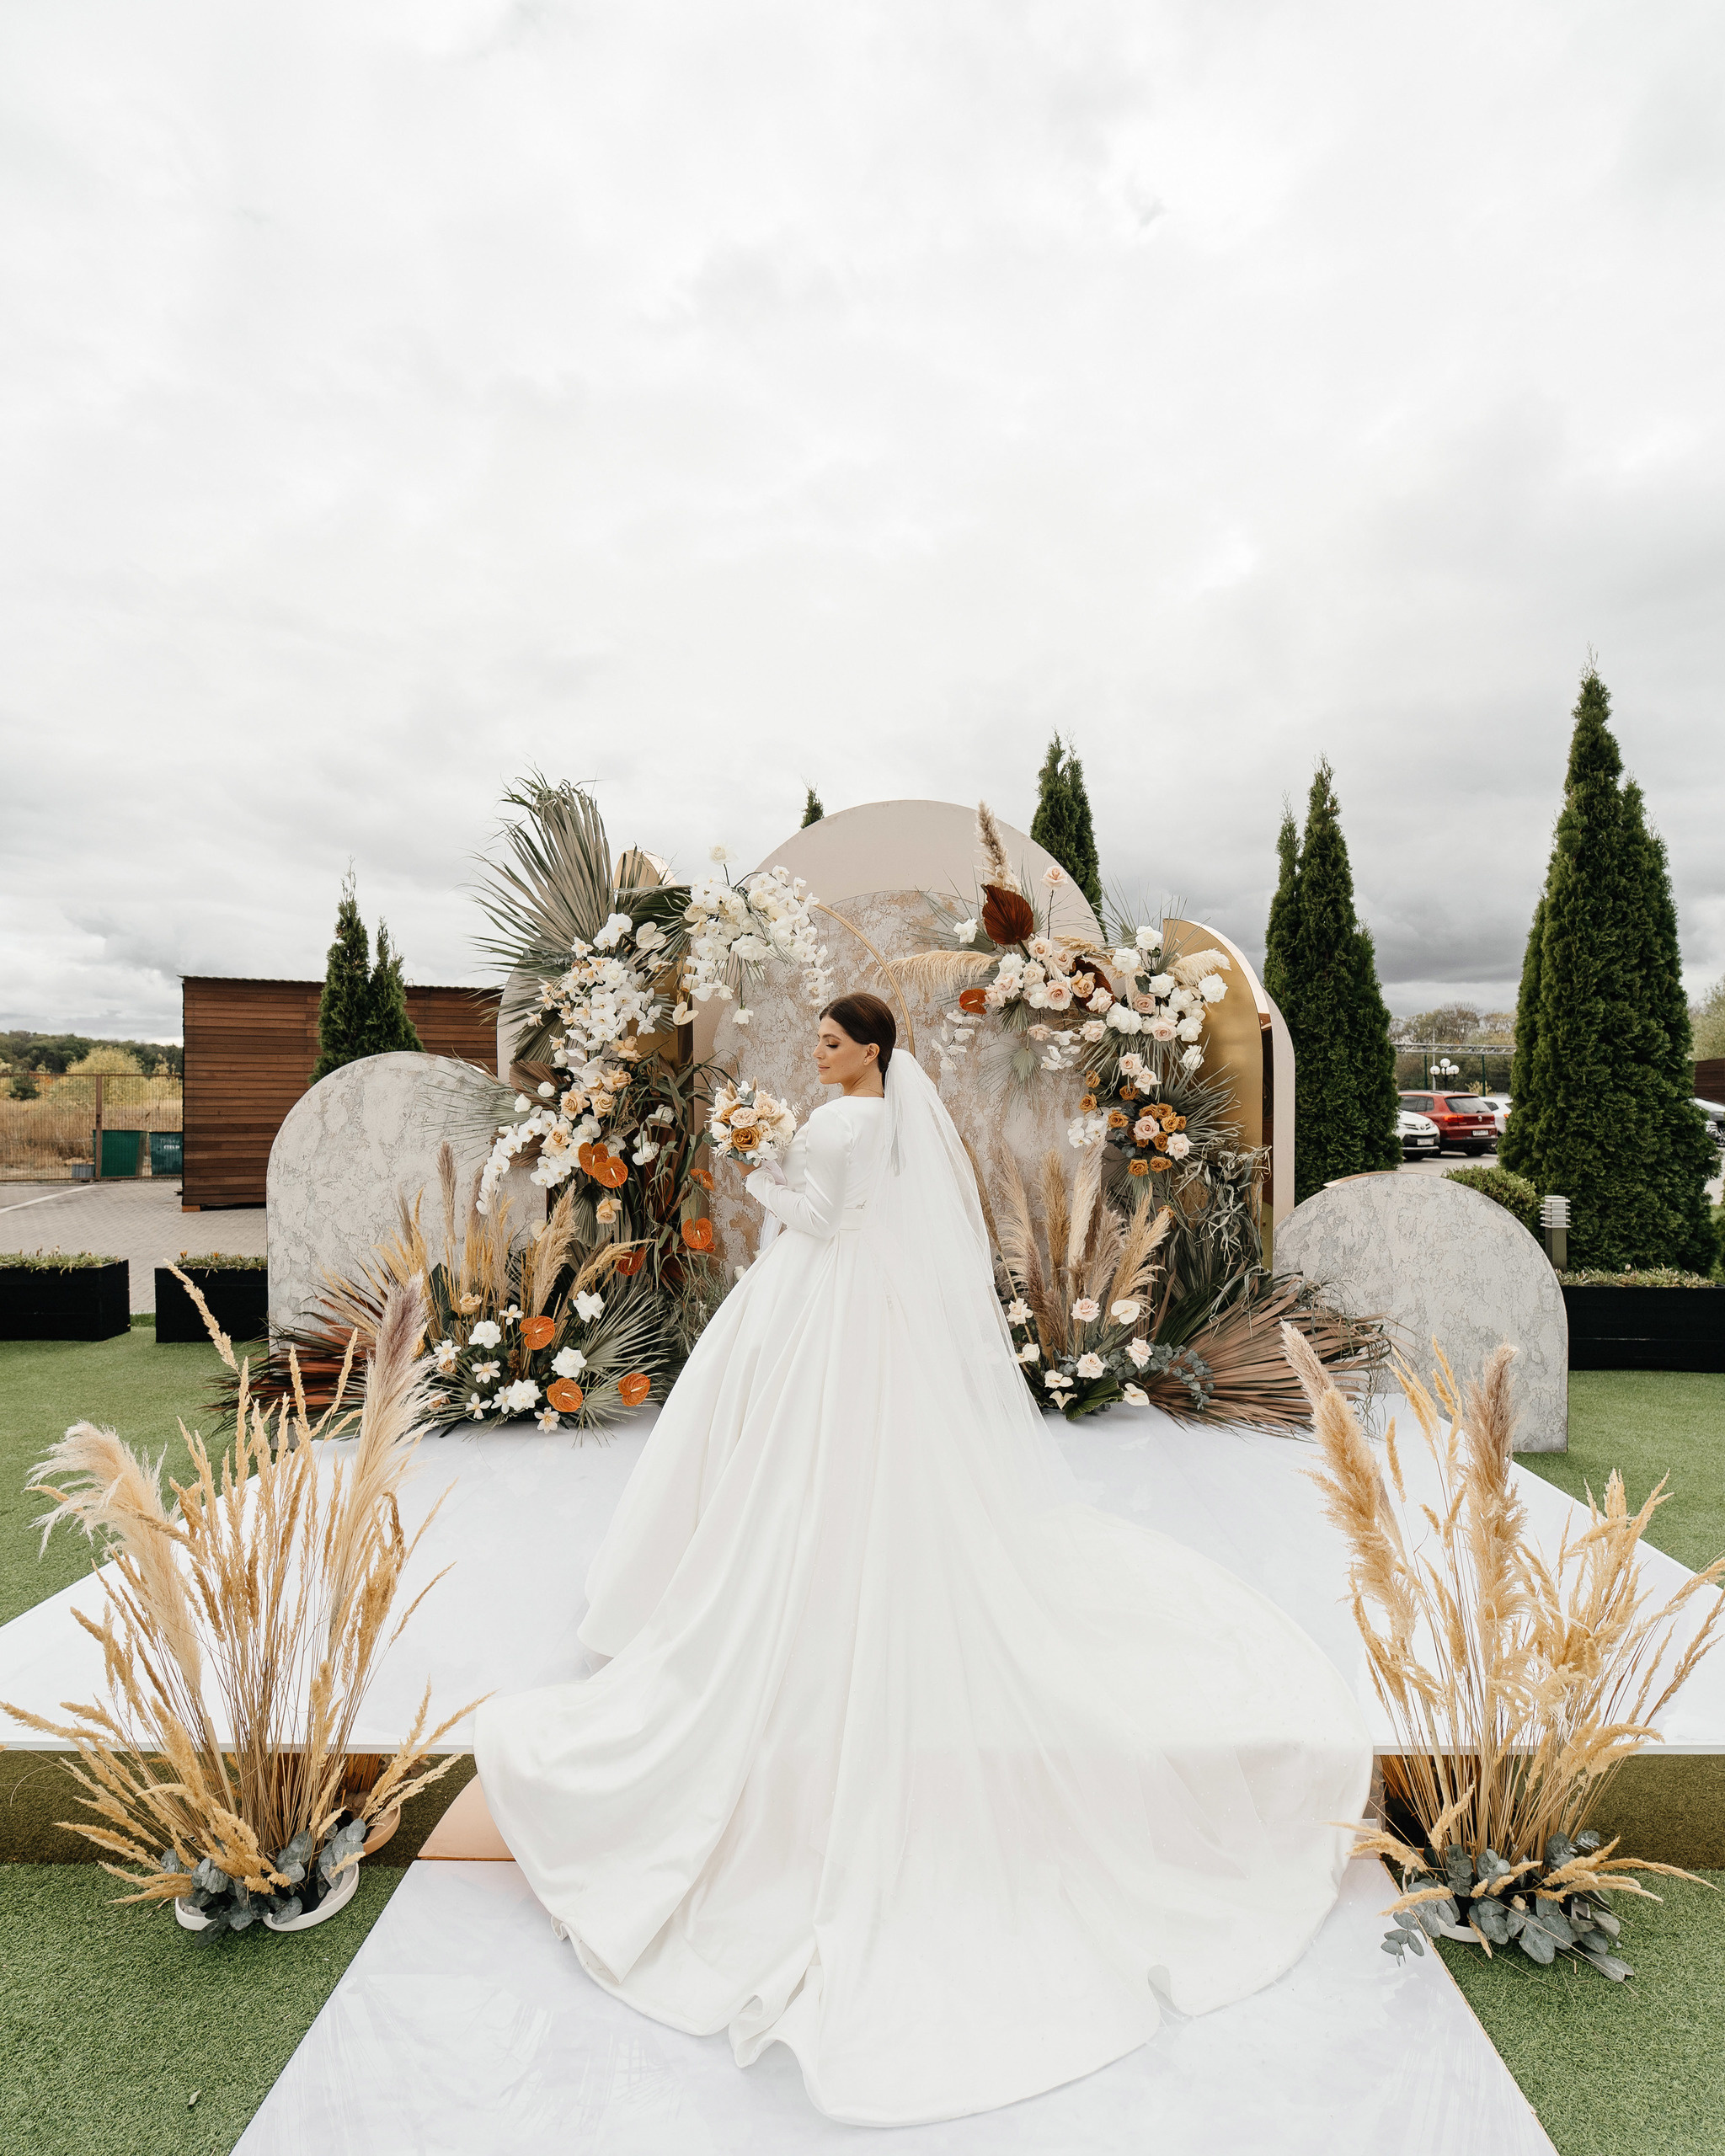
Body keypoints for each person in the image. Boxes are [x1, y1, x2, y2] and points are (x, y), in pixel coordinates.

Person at [475, 991, 1370, 2127]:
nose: (820, 1052)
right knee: (815, 1447)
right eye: (821, 1042)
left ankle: (755, 1571)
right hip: (839, 1305)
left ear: (873, 1051)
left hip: (819, 1294)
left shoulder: (850, 1124)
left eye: (835, 1044)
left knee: (784, 1449)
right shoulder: (875, 1117)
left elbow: (828, 1222)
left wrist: (760, 1173)